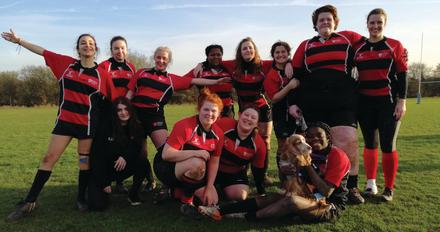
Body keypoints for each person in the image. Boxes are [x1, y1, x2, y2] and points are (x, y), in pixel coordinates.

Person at [2, 30, 115, 221]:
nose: (87, 45)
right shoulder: (65, 65)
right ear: (78, 49)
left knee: (83, 161)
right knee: (48, 159)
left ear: (96, 48)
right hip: (64, 123)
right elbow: (42, 51)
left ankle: (80, 198)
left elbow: (112, 102)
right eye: (82, 43)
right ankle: (30, 201)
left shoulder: (103, 75)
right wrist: (20, 41)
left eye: (90, 43)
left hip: (87, 127)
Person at [288, 5, 365, 204]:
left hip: (343, 98)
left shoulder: (349, 38)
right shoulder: (305, 45)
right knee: (315, 145)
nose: (325, 22)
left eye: (329, 19)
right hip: (313, 100)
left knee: (347, 139)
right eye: (321, 20)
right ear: (315, 24)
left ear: (335, 22)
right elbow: (296, 77)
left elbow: (373, 46)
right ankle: (316, 184)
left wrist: (400, 53)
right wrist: (293, 102)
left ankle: (351, 186)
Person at [198, 122, 351, 223]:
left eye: (319, 136)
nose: (314, 139)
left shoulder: (337, 156)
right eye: (310, 137)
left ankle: (241, 217)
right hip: (307, 195)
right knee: (270, 197)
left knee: (290, 201)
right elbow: (289, 184)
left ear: (329, 138)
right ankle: (218, 209)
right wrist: (284, 172)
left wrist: (308, 165)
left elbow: (326, 191)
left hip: (329, 205)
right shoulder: (306, 152)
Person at [194, 37, 275, 184]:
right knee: (244, 137)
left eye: (250, 48)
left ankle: (263, 174)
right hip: (244, 109)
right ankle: (243, 167)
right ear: (240, 51)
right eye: (244, 48)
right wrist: (201, 64)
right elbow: (214, 59)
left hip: (262, 107)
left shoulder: (263, 65)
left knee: (264, 140)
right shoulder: (233, 65)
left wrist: (288, 63)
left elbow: (279, 60)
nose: (248, 50)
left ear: (255, 50)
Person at [126, 46, 228, 149]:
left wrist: (216, 82)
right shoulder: (141, 72)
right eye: (158, 57)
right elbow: (129, 95)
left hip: (154, 116)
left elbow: (195, 80)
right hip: (136, 115)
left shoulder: (172, 79)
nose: (161, 61)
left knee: (165, 150)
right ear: (154, 58)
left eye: (164, 58)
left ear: (169, 60)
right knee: (137, 151)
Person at [354, 8, 408, 201]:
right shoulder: (357, 47)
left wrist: (402, 101)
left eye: (379, 22)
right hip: (365, 103)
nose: (375, 26)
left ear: (385, 24)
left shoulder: (394, 45)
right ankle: (370, 184)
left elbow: (402, 75)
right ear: (366, 24)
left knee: (387, 145)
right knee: (370, 143)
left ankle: (389, 189)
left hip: (389, 103)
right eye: (372, 22)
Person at [153, 88, 224, 218]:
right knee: (198, 164)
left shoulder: (218, 134)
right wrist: (195, 153)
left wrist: (209, 186)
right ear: (199, 109)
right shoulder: (185, 125)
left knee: (211, 200)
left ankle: (173, 192)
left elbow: (214, 162)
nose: (209, 114)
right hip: (165, 166)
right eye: (206, 109)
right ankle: (186, 203)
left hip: (191, 171)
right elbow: (166, 154)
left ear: (219, 114)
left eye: (214, 111)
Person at [99, 36, 147, 194]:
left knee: (129, 145)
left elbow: (133, 89)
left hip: (127, 113)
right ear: (111, 50)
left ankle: (122, 182)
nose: (119, 51)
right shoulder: (105, 66)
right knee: (111, 146)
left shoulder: (131, 67)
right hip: (109, 112)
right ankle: (106, 179)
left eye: (122, 48)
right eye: (116, 48)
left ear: (126, 49)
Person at [88, 97, 149, 210]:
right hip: (103, 170)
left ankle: (133, 194)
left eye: (126, 109)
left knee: (143, 161)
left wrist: (124, 157)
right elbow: (97, 156)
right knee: (97, 206)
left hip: (121, 167)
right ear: (114, 112)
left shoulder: (136, 126)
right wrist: (104, 182)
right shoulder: (106, 127)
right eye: (119, 110)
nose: (123, 112)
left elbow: (135, 147)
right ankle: (99, 189)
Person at [263, 41, 300, 183]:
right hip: (281, 112)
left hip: (298, 110)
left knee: (300, 142)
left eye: (283, 52)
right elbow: (274, 98)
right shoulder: (271, 75)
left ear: (288, 53)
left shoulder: (294, 67)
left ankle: (299, 176)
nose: (280, 55)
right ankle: (284, 176)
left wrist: (290, 63)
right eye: (277, 52)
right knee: (283, 145)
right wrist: (289, 86)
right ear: (273, 55)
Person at [214, 106, 267, 201]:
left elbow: (258, 170)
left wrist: (261, 191)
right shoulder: (224, 123)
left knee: (240, 195)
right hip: (212, 168)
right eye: (246, 115)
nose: (248, 118)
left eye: (253, 118)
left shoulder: (259, 144)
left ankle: (223, 188)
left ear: (257, 124)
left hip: (234, 173)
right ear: (239, 115)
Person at [184, 44, 234, 118]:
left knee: (227, 129)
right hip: (208, 111)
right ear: (207, 56)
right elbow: (183, 81)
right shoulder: (199, 70)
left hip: (227, 110)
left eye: (218, 54)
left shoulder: (228, 69)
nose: (216, 57)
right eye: (212, 55)